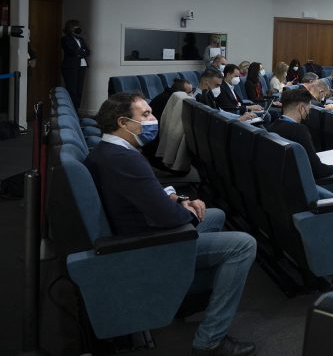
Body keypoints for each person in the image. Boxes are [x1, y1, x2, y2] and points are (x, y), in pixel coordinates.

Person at [85, 92, 257, 355]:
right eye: (145, 115)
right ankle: (210, 340)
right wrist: (186, 210)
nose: (154, 119)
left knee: (216, 215)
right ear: (123, 122)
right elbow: (167, 217)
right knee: (243, 245)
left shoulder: (109, 150)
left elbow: (146, 192)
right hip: (147, 243)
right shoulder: (125, 159)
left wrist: (180, 199)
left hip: (141, 225)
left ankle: (182, 294)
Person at [268, 88, 333, 196]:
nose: (309, 112)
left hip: (286, 182)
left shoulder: (273, 126)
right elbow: (318, 171)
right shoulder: (299, 130)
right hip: (305, 185)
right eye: (308, 108)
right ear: (301, 108)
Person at [60, 19, 90, 110]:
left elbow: (88, 52)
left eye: (78, 26)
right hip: (70, 67)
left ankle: (76, 111)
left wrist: (80, 52)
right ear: (70, 28)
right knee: (71, 90)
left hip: (82, 66)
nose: (78, 28)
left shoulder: (81, 39)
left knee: (79, 90)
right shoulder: (65, 39)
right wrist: (81, 52)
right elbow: (72, 51)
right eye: (76, 27)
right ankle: (71, 111)